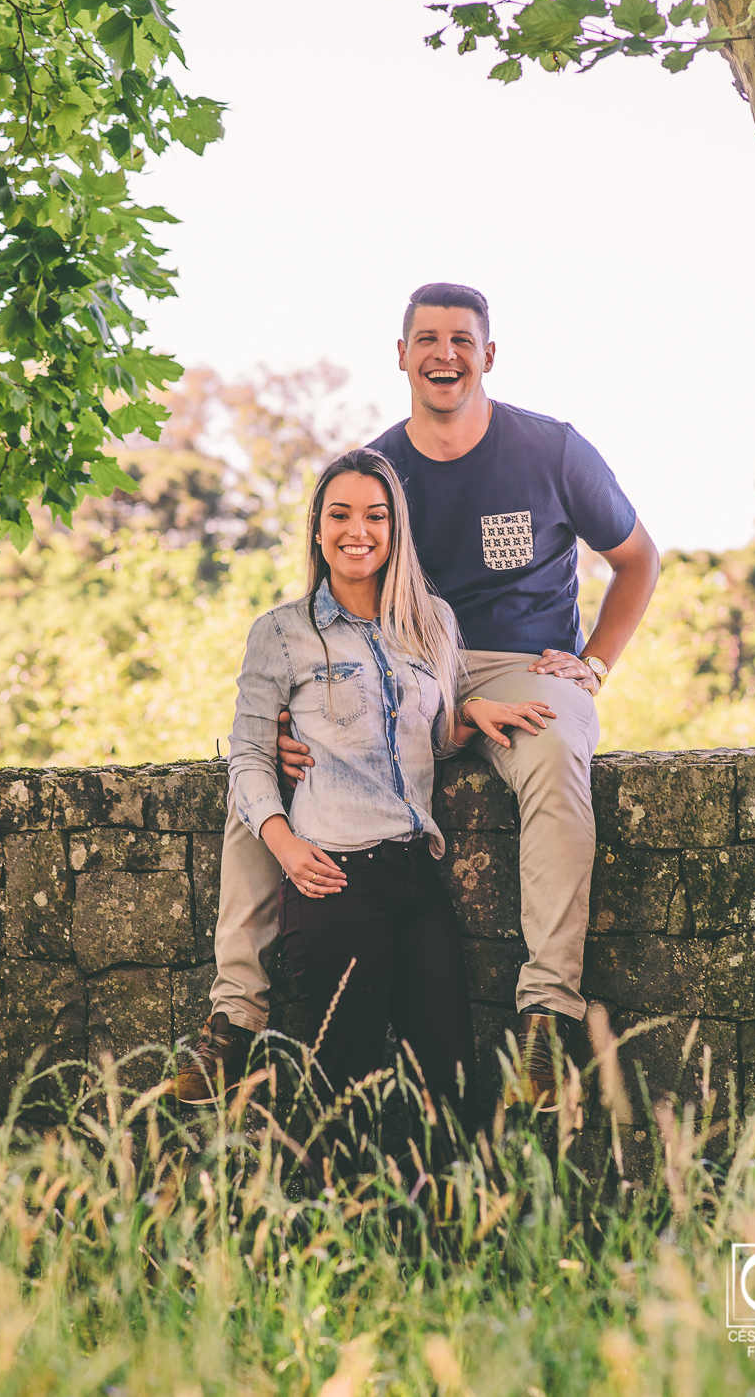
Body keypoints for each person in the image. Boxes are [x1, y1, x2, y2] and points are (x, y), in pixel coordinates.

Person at [171, 283, 658, 1110]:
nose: (444, 353)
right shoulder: (375, 470)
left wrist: (594, 664)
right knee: (265, 774)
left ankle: (547, 1014)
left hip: (517, 664)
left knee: (553, 755)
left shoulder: (552, 451)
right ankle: (234, 1016)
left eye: (462, 339)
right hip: (396, 661)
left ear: (488, 355)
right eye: (426, 338)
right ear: (401, 355)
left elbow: (638, 558)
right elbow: (339, 602)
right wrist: (301, 717)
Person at [176, 445, 555, 1141]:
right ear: (317, 530)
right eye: (341, 514)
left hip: (416, 878)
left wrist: (470, 718)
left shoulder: (432, 621)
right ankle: (335, 1239)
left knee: (448, 1092)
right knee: (340, 1097)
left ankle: (439, 1240)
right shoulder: (281, 633)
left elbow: (424, 734)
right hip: (331, 882)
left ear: (394, 529)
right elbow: (251, 760)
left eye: (375, 516)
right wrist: (285, 846)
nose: (359, 530)